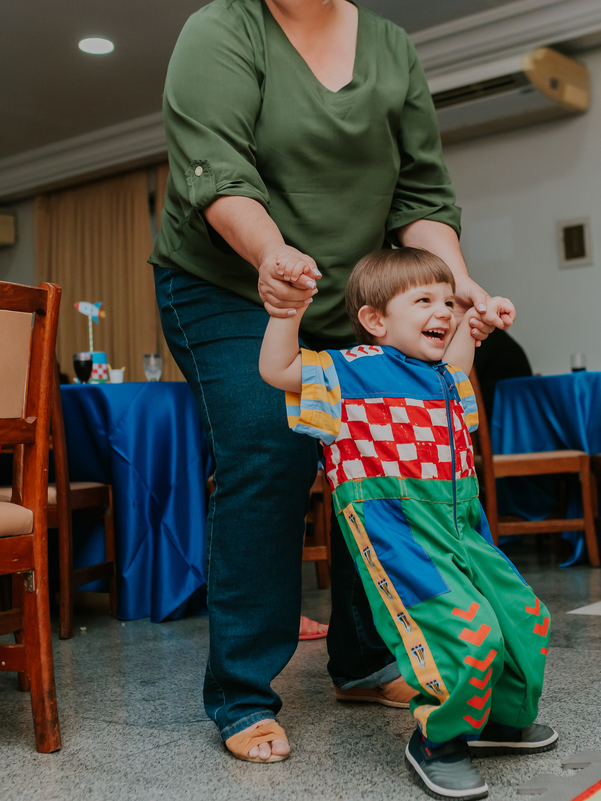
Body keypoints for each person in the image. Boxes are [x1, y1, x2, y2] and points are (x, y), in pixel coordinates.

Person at [150, 0, 511, 762]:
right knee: (271, 441)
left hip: (359, 290)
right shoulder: (222, 30)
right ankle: (242, 691)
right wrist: (275, 260)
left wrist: (455, 283)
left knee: (385, 446)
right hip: (230, 279)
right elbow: (217, 172)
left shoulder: (390, 46)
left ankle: (362, 655)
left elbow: (420, 194)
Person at [260, 248, 554, 801]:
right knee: (467, 633)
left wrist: (476, 325)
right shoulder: (348, 371)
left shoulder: (441, 376)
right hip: (400, 532)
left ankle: (498, 720)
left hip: (462, 522)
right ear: (375, 320)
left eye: (447, 300)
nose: (442, 310)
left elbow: (461, 369)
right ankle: (437, 743)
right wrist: (286, 313)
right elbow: (277, 370)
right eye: (424, 300)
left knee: (524, 618)